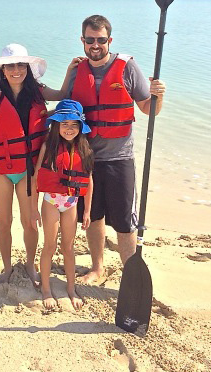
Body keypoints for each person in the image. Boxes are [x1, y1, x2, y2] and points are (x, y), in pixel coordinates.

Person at [68, 15, 166, 284]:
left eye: (101, 40)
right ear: (83, 41)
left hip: (119, 157)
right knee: (93, 216)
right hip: (85, 159)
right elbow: (66, 109)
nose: (95, 45)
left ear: (109, 40)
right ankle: (97, 267)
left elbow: (149, 109)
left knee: (125, 222)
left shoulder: (127, 67)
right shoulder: (77, 70)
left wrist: (160, 94)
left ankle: (130, 274)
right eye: (90, 40)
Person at [0, 44, 77, 285]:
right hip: (0, 167)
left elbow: (64, 94)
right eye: (10, 66)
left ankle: (31, 265)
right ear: (3, 70)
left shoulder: (38, 92)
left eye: (21, 65)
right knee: (4, 221)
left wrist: (71, 70)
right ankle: (6, 267)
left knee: (30, 221)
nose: (16, 70)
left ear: (27, 68)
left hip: (29, 169)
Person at [30, 100, 94, 310]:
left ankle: (70, 289)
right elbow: (35, 177)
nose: (69, 128)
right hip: (50, 202)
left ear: (80, 127)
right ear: (56, 125)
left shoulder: (84, 148)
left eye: (74, 124)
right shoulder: (48, 146)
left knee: (68, 247)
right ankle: (46, 289)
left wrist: (87, 211)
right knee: (50, 246)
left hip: (72, 204)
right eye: (64, 123)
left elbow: (89, 181)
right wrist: (33, 209)